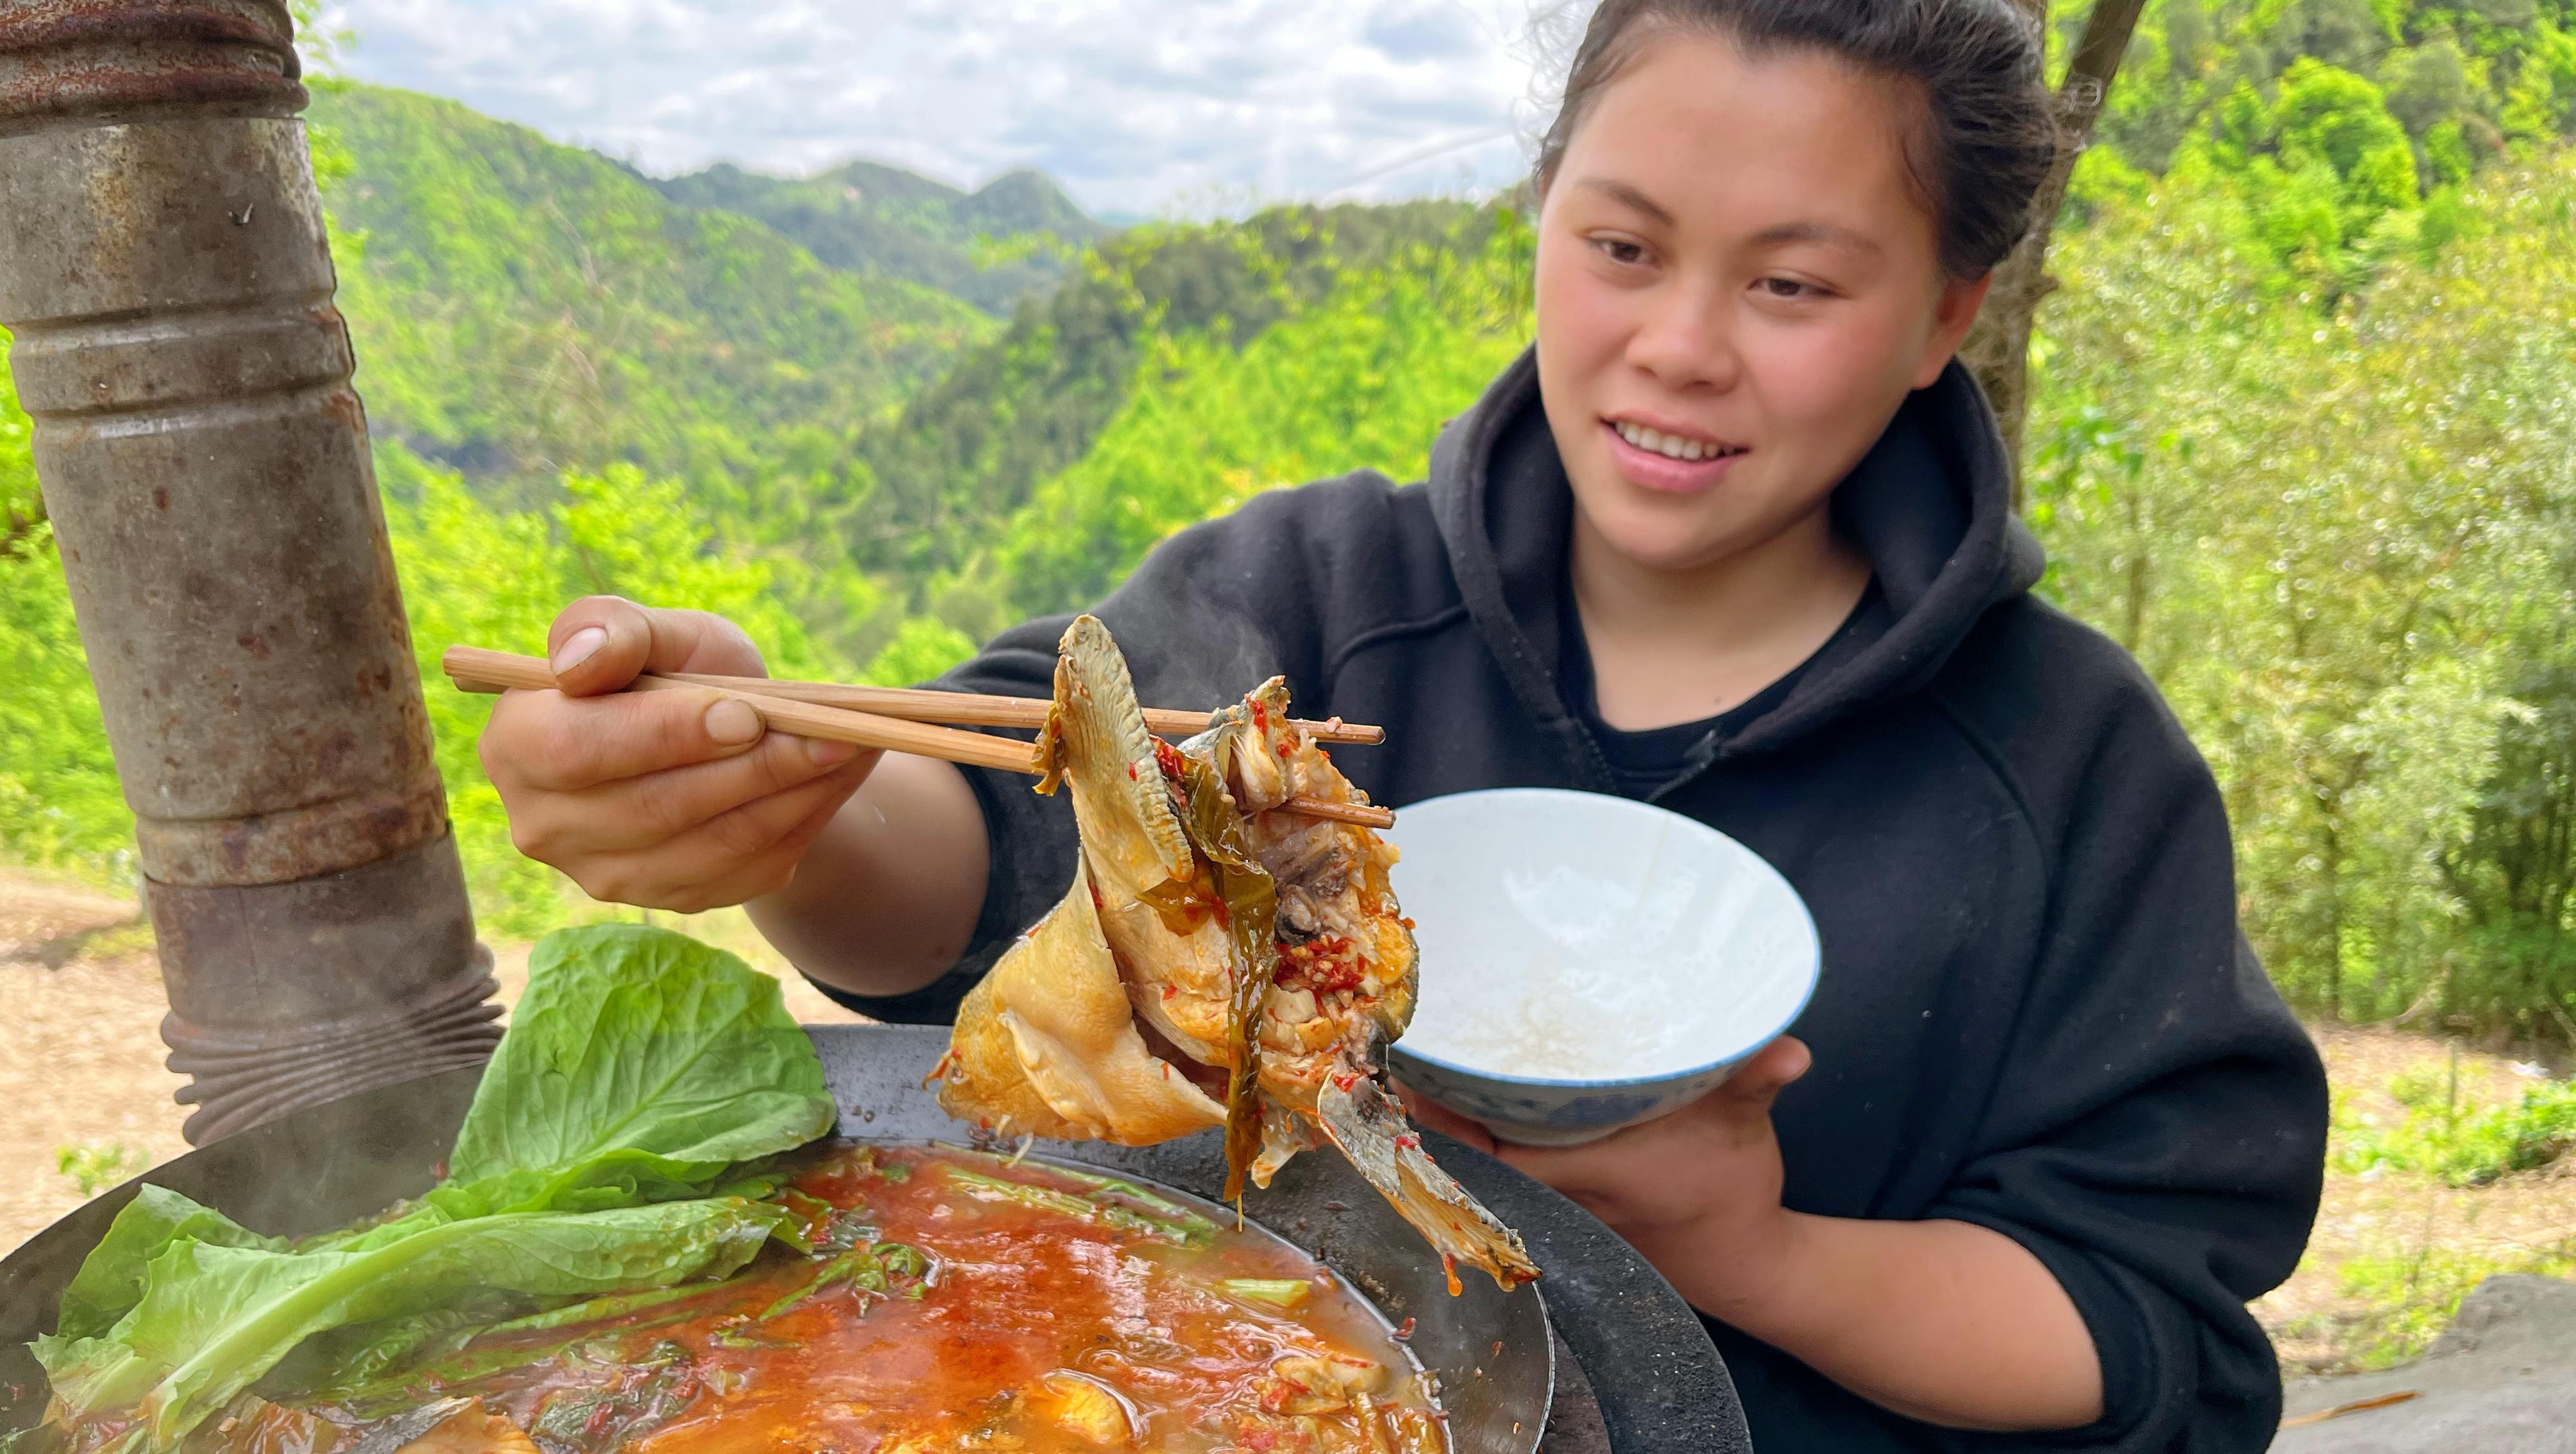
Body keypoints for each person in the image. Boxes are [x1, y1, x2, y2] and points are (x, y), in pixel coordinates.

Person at [476, 0, 2330, 1445]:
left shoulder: (2077, 774)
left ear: (1946, 313)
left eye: (1792, 283)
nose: (1681, 343)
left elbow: (2135, 1319)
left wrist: (1743, 1252)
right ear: (1543, 216)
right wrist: (789, 799)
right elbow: (994, 862)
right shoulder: (1309, 607)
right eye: (1622, 245)